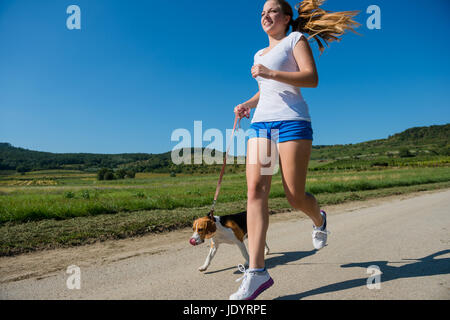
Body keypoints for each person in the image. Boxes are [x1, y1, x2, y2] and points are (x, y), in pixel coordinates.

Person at [230, 0, 360, 300]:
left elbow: (310, 78)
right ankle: (257, 272)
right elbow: (266, 92)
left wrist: (271, 73)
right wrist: (247, 104)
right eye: (262, 12)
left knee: (294, 196)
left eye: (273, 10)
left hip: (292, 122)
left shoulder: (295, 40)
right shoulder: (259, 53)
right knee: (256, 190)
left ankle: (319, 218)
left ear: (287, 17)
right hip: (261, 124)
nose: (266, 15)